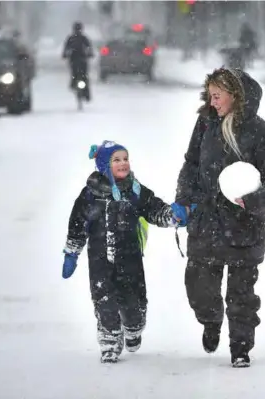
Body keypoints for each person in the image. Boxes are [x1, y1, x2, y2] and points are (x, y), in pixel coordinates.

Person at [175, 67, 265, 368]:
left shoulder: (260, 131)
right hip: (206, 223)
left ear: (234, 96)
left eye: (217, 96)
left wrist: (253, 200)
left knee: (242, 295)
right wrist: (183, 201)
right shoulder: (205, 124)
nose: (211, 103)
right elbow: (191, 165)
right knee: (200, 289)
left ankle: (240, 347)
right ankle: (211, 321)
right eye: (209, 96)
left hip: (243, 226)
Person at [62, 140, 190, 364]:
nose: (123, 163)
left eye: (125, 158)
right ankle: (110, 342)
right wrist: (72, 253)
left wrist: (173, 215)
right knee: (103, 299)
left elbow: (155, 209)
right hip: (99, 259)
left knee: (133, 303)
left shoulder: (135, 191)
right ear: (104, 166)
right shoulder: (90, 195)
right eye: (116, 160)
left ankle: (133, 328)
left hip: (130, 258)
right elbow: (77, 224)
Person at [62, 21, 94, 101]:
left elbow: (89, 47)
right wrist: (65, 54)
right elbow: (66, 48)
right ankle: (75, 85)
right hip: (75, 61)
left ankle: (86, 93)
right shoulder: (71, 39)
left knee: (84, 76)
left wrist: (90, 53)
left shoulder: (83, 38)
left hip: (81, 61)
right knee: (75, 75)